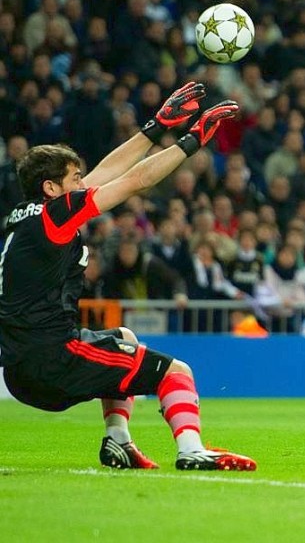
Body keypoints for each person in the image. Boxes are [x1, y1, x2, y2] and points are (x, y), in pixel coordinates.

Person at [0, 81, 257, 471]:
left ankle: (118, 442)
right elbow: (135, 181)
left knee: (124, 339)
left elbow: (104, 176)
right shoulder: (55, 215)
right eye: (73, 180)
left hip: (20, 367)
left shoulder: (25, 220)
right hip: (53, 360)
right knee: (177, 372)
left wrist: (154, 128)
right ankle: (192, 450)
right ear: (50, 187)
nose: (82, 186)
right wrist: (190, 142)